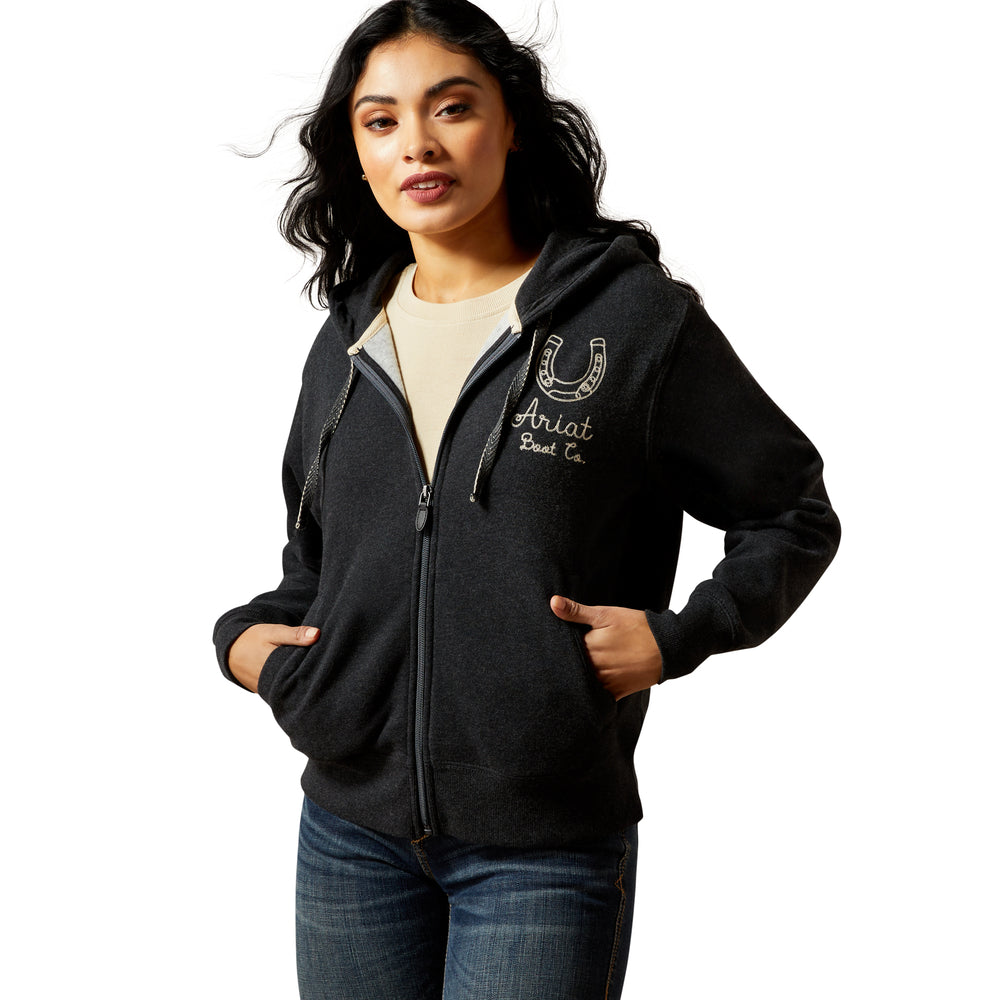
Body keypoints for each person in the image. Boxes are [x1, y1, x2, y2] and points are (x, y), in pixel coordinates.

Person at [213, 1, 841, 996]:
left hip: (543, 848)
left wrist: (679, 636)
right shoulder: (348, 338)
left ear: (511, 123)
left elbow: (790, 510)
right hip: (347, 834)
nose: (417, 143)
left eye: (451, 107)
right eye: (381, 120)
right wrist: (248, 646)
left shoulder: (631, 321)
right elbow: (318, 564)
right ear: (357, 155)